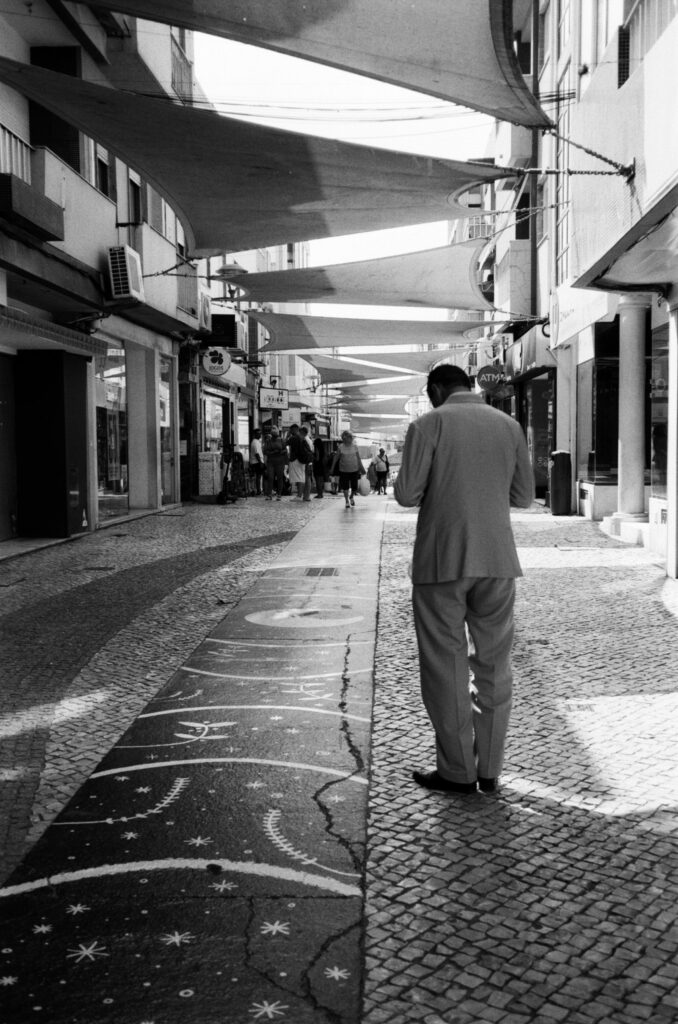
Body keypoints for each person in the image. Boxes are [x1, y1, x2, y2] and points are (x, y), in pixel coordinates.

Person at [394, 364, 533, 795]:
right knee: (494, 665)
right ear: (469, 385)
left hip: (442, 560)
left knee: (445, 665)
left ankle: (457, 771)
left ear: (436, 389)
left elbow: (405, 494)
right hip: (496, 559)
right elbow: (525, 496)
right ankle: (490, 769)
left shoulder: (428, 424)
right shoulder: (509, 425)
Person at [331, 430, 366, 509]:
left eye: (346, 438)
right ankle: (347, 501)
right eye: (343, 438)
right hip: (344, 470)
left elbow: (358, 458)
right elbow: (336, 458)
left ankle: (351, 496)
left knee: (355, 487)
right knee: (345, 487)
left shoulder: (355, 446)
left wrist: (362, 468)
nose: (344, 439)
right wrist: (332, 468)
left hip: (354, 469)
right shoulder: (340, 447)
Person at [263, 426, 287, 501]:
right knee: (270, 477)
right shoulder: (268, 441)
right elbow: (265, 451)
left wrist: (280, 452)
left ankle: (279, 494)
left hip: (280, 462)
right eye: (273, 435)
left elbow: (285, 450)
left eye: (276, 435)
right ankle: (269, 494)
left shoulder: (282, 440)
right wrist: (273, 452)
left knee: (280, 478)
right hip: (270, 462)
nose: (274, 436)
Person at [285, 424, 306, 499]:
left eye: (291, 430)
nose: (290, 431)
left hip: (295, 459)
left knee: (298, 477)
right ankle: (300, 494)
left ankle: (299, 495)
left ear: (294, 429)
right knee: (301, 477)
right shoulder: (301, 437)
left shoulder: (293, 438)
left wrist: (287, 436)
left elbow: (284, 444)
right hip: (302, 460)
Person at [298, 426, 314, 501]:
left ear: (303, 432)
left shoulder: (306, 440)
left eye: (299, 432)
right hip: (308, 461)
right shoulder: (308, 440)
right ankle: (306, 495)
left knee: (307, 478)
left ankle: (306, 496)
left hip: (307, 461)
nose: (298, 434)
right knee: (307, 478)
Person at [249, 428, 264, 495]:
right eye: (258, 433)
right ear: (255, 434)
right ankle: (258, 490)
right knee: (258, 476)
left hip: (257, 462)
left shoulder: (257, 442)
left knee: (259, 476)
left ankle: (259, 490)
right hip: (256, 462)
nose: (260, 434)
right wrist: (260, 462)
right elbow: (257, 453)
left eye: (260, 433)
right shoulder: (255, 442)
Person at [312, 433, 326, 498]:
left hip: (317, 466)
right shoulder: (322, 449)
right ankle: (321, 494)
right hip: (322, 466)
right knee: (321, 481)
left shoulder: (317, 448)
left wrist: (312, 457)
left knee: (318, 481)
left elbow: (317, 458)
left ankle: (319, 494)